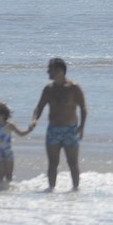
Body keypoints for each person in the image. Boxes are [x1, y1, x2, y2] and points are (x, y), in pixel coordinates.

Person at [24, 58, 88, 191]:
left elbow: (83, 108)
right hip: (53, 129)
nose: (48, 72)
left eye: (50, 70)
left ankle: (76, 191)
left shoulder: (74, 88)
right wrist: (34, 119)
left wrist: (81, 127)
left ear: (59, 71)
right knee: (53, 164)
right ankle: (51, 191)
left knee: (73, 163)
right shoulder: (48, 89)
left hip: (70, 130)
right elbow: (39, 107)